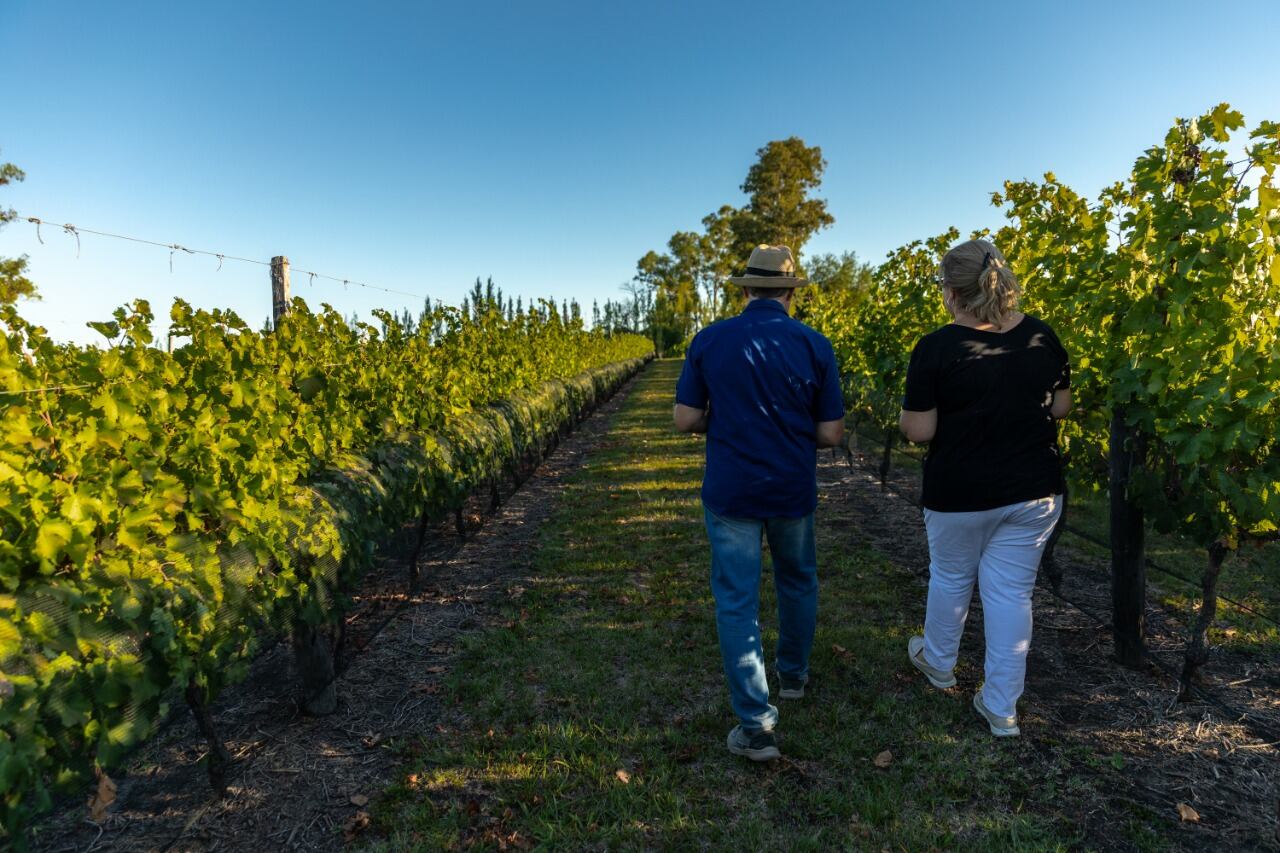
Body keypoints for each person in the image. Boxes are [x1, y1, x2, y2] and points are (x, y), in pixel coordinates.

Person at [674, 244, 845, 761]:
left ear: (745, 289)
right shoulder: (815, 345)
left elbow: (684, 418)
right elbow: (832, 433)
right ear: (792, 292)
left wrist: (723, 420)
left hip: (731, 491)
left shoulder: (710, 340)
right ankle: (792, 676)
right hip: (791, 487)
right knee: (797, 580)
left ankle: (755, 724)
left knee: (736, 600)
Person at [899, 238, 1071, 737]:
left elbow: (918, 431)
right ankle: (1001, 708)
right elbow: (1059, 408)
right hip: (1034, 488)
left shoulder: (935, 348)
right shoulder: (1042, 337)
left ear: (951, 292)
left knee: (952, 577)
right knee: (1012, 593)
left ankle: (939, 661)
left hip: (960, 490)